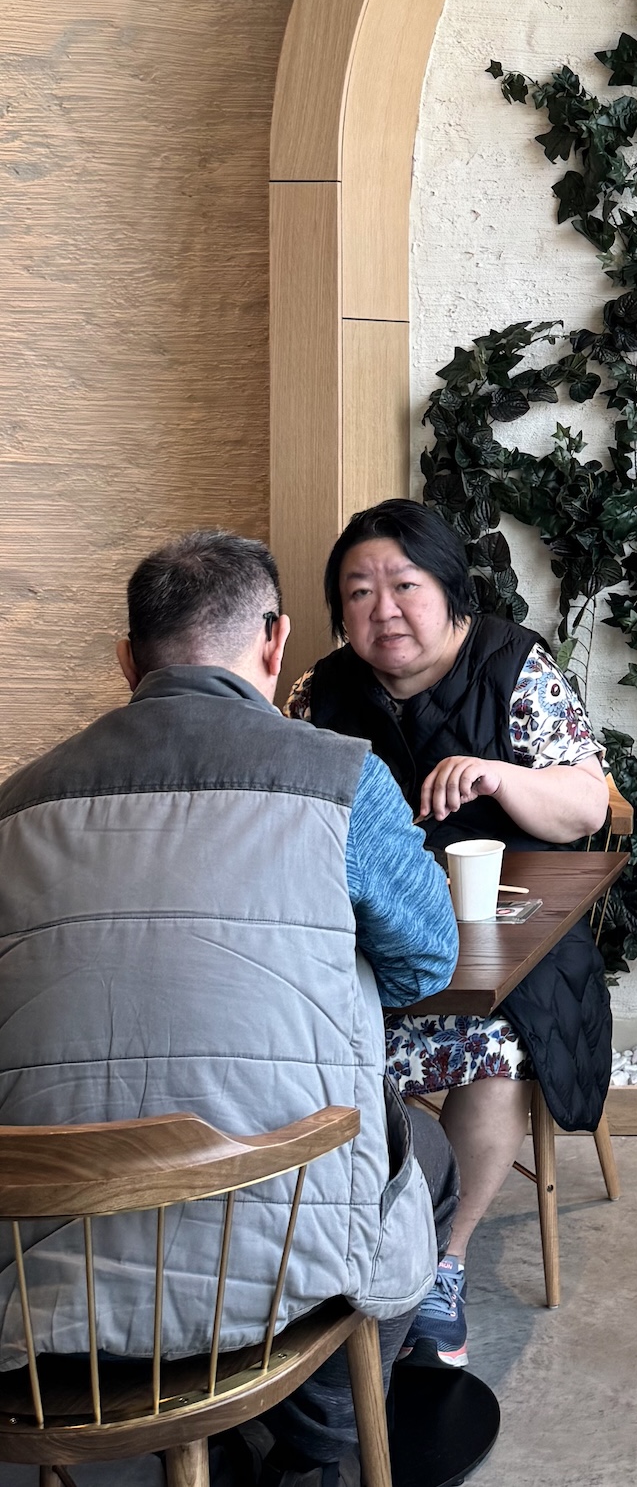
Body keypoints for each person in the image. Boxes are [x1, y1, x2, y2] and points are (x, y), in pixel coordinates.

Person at [0, 531, 461, 1485]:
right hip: (285, 1244)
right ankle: (320, 1437)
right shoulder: (343, 777)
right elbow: (426, 959)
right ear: (275, 642)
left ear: (128, 662)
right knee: (431, 1153)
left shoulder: (14, 808)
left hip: (42, 1279)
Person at [287, 498, 614, 1368]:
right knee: (296, 1032)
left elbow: (586, 804)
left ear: (449, 590)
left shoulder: (511, 663)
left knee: (496, 1043)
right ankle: (342, 1248)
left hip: (513, 938)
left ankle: (441, 1259)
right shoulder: (321, 693)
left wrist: (500, 776)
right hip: (372, 939)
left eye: (403, 584)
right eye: (357, 592)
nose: (382, 609)